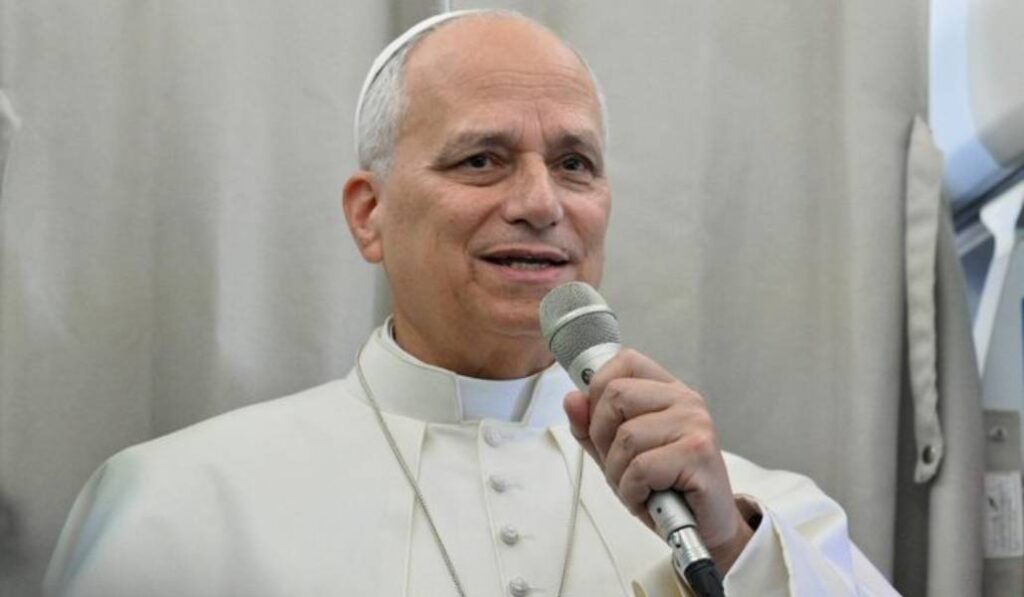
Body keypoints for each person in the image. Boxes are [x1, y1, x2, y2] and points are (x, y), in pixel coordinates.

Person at [44, 9, 898, 596]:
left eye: (575, 164)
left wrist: (728, 549)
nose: (541, 202)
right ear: (370, 214)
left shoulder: (764, 518)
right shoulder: (178, 504)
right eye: (482, 160)